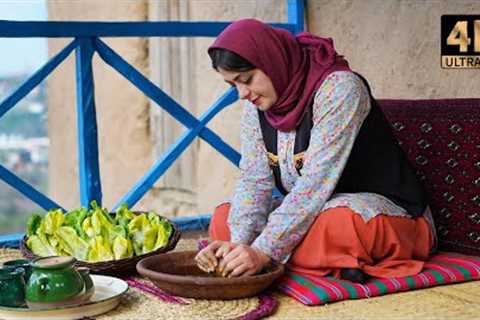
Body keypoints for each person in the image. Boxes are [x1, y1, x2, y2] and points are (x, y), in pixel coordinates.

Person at [195, 19, 436, 283]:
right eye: (233, 85)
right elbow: (254, 180)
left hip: (382, 215)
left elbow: (314, 186)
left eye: (246, 79)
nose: (242, 93)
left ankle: (278, 260)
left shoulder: (339, 89)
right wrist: (238, 243)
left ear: (272, 60)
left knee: (340, 226)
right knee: (224, 220)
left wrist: (262, 250)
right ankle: (322, 262)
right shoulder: (257, 106)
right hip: (312, 210)